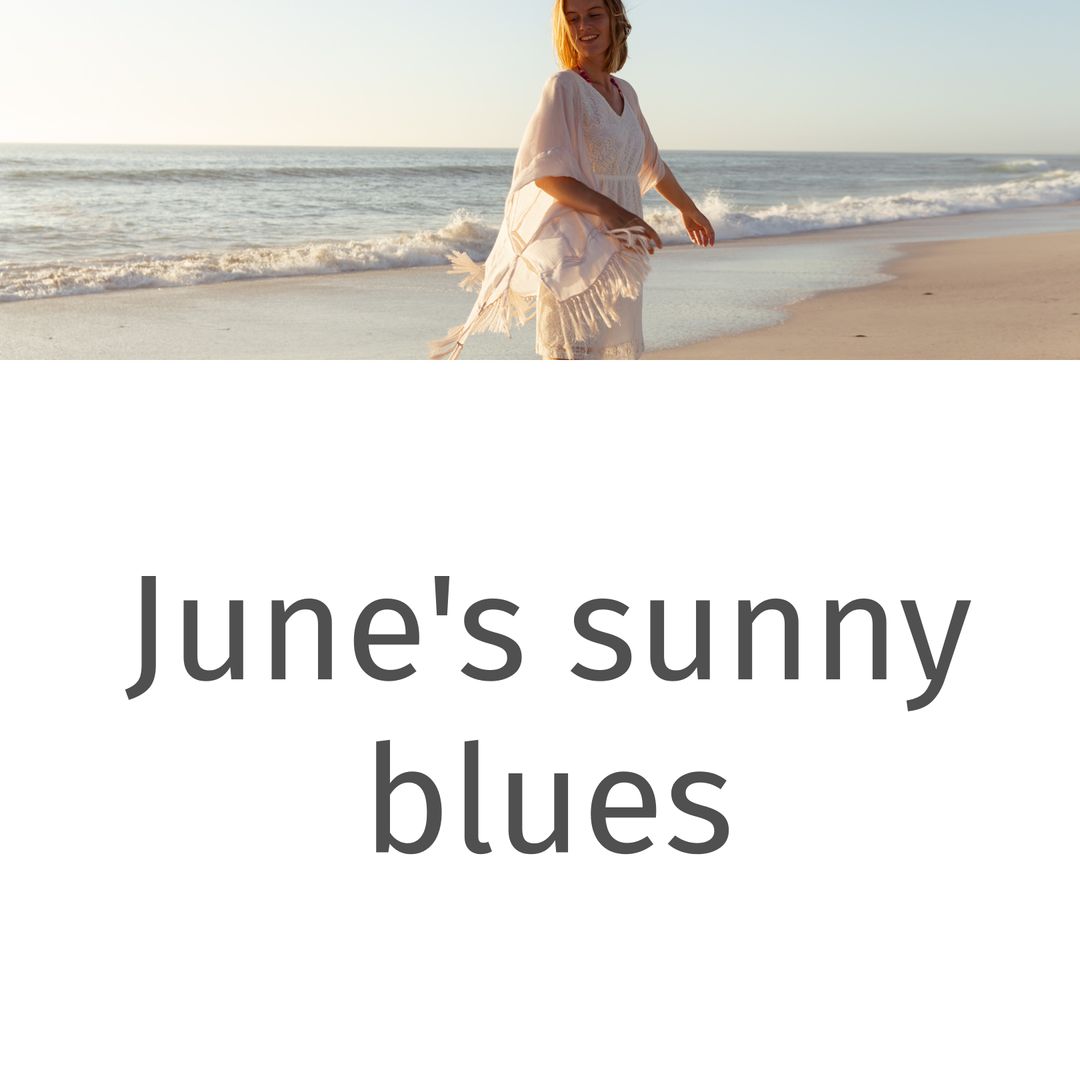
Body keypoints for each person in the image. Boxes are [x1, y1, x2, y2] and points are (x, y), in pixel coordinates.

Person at [431, 0, 715, 360]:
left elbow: (652, 163)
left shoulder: (626, 92)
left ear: (614, 20)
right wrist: (612, 211)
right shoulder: (562, 86)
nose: (583, 26)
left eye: (593, 14)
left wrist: (688, 210)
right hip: (575, 255)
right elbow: (545, 175)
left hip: (619, 257)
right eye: (573, 18)